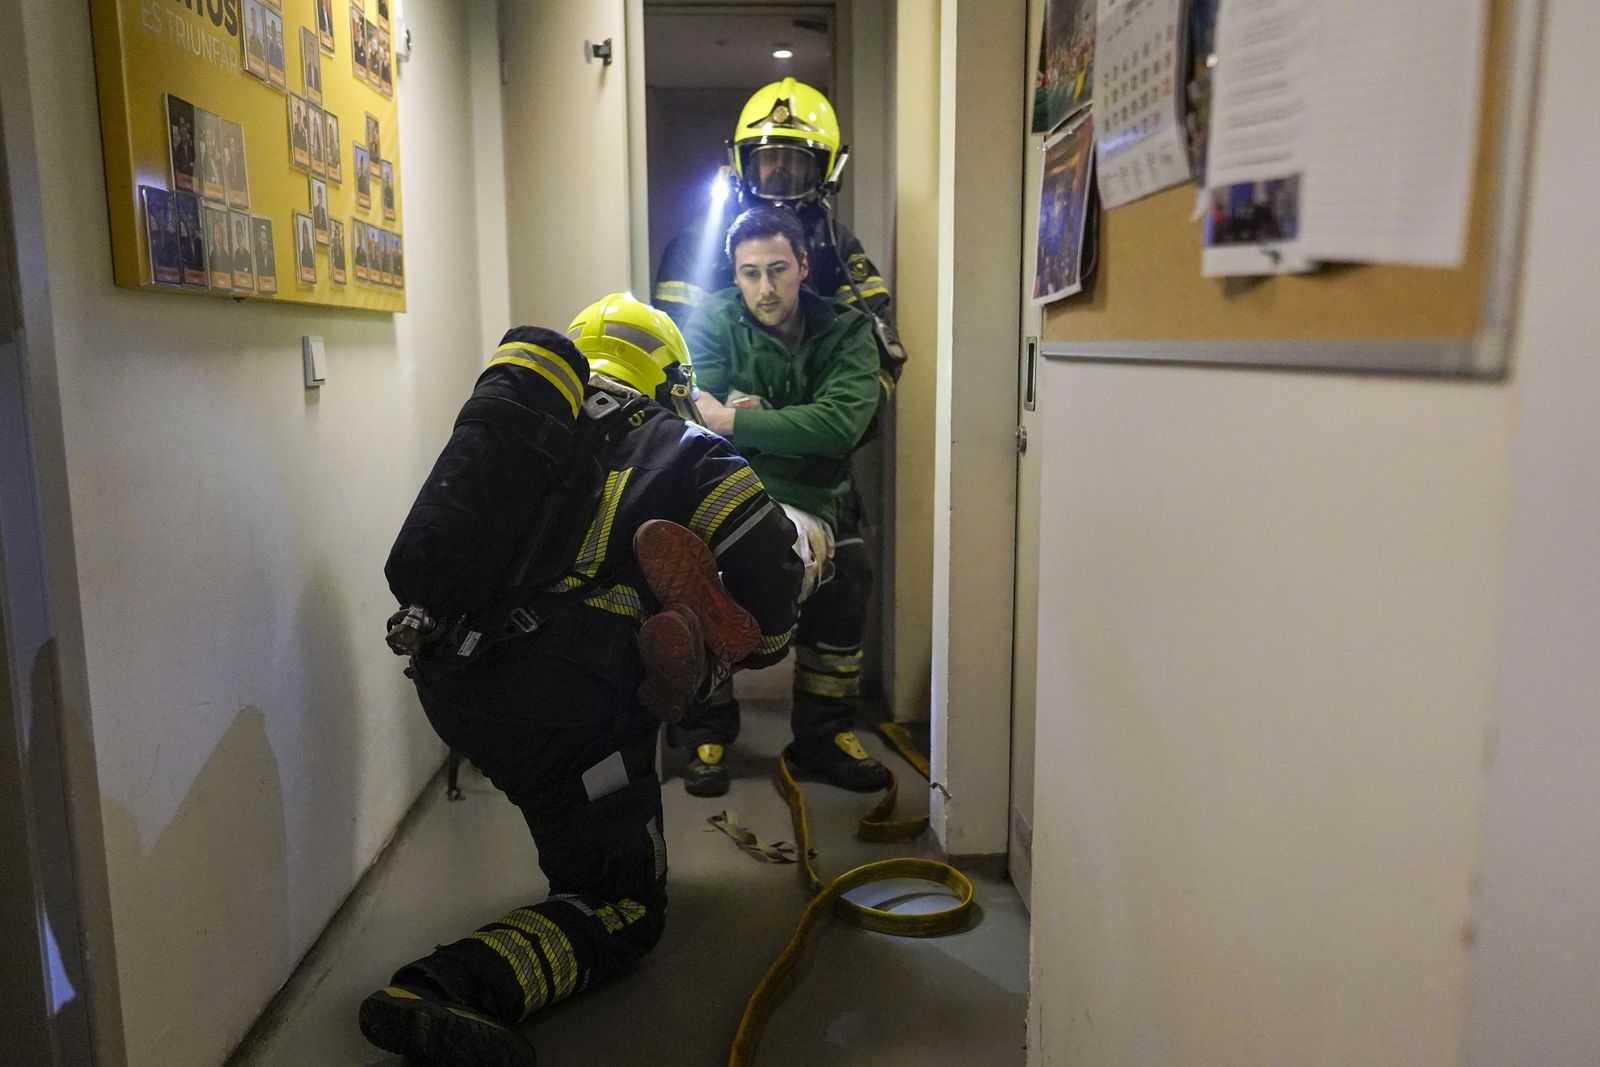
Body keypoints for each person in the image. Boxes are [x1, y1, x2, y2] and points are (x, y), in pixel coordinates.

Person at [358, 296, 802, 1066]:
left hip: (447, 678)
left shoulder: (528, 431)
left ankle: (658, 687)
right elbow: (771, 596)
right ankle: (448, 987)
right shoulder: (690, 448)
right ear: (670, 379)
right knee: (623, 904)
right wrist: (758, 639)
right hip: (566, 708)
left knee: (566, 800)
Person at [675, 205, 887, 796]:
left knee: (850, 577)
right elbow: (697, 418)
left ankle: (824, 735)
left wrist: (739, 418)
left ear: (803, 266)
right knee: (697, 579)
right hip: (725, 492)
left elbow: (841, 426)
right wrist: (794, 426)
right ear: (733, 274)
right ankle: (705, 730)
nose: (765, 288)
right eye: (750, 274)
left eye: (777, 270)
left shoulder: (847, 330)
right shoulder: (710, 322)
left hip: (820, 498)